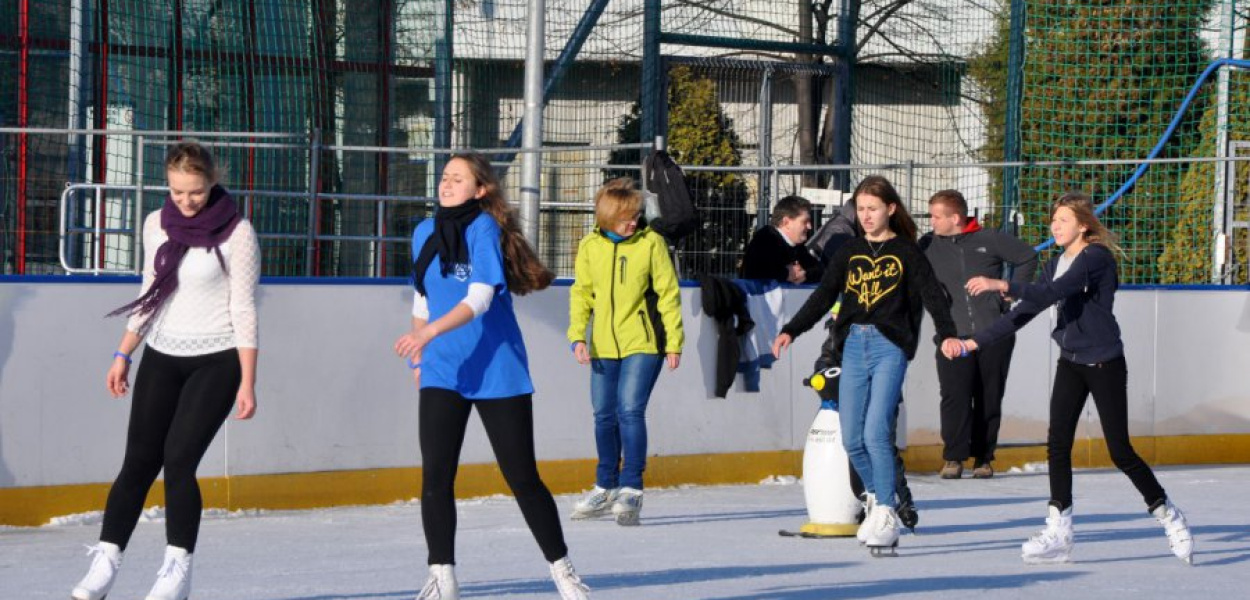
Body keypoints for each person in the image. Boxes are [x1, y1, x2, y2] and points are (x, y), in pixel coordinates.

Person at [946, 191, 1193, 565]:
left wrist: (1003, 284)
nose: (1054, 227)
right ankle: (1059, 529)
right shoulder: (1057, 262)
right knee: (1057, 444)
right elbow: (1025, 311)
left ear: (1082, 224)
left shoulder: (1095, 258)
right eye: (1053, 220)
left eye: (1062, 220)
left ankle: (1168, 515)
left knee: (1119, 451)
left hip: (1104, 363)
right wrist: (972, 344)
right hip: (1071, 362)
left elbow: (1054, 292)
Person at [394, 153, 590, 600]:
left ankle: (562, 569)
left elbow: (480, 296)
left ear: (480, 190)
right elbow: (423, 299)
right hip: (444, 369)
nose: (446, 184)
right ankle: (442, 576)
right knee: (436, 478)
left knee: (521, 476)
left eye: (457, 179)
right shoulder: (424, 232)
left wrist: (429, 334)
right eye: (444, 177)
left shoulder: (484, 228)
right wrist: (421, 354)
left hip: (498, 369)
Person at [71, 141, 261, 600]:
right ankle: (106, 561)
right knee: (138, 462)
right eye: (177, 192)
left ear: (212, 182)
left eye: (194, 192)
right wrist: (123, 353)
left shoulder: (237, 233)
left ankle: (176, 570)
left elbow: (245, 308)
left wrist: (248, 381)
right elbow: (150, 292)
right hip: (162, 353)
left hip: (216, 360)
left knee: (178, 461)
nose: (186, 202)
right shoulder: (156, 224)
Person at [771, 175, 957, 555]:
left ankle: (886, 512)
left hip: (889, 346)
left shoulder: (906, 252)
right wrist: (792, 329)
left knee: (875, 433)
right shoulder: (850, 251)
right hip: (853, 345)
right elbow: (824, 296)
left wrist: (947, 335)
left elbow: (933, 298)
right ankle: (876, 497)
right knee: (852, 438)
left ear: (890, 209)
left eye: (873, 209)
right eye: (861, 209)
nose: (866, 216)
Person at [567, 178, 684, 526]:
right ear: (606, 217)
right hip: (603, 343)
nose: (633, 222)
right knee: (604, 414)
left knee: (629, 411)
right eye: (626, 217)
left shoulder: (651, 244)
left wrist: (674, 341)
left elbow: (668, 293)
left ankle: (631, 487)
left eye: (636, 215)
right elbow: (581, 293)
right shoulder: (590, 245)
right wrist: (577, 336)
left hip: (644, 342)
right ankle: (605, 486)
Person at [924, 190, 1038, 479]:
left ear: (955, 217)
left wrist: (1007, 289)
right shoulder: (927, 245)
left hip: (994, 333)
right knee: (954, 396)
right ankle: (953, 457)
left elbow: (1027, 256)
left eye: (937, 216)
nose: (932, 221)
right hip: (952, 336)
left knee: (989, 396)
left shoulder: (990, 239)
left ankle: (984, 458)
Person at [740, 195, 825, 284]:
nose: (809, 226)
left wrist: (805, 274)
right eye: (805, 221)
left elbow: (819, 269)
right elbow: (756, 275)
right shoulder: (765, 241)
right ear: (786, 222)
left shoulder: (796, 245)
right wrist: (786, 274)